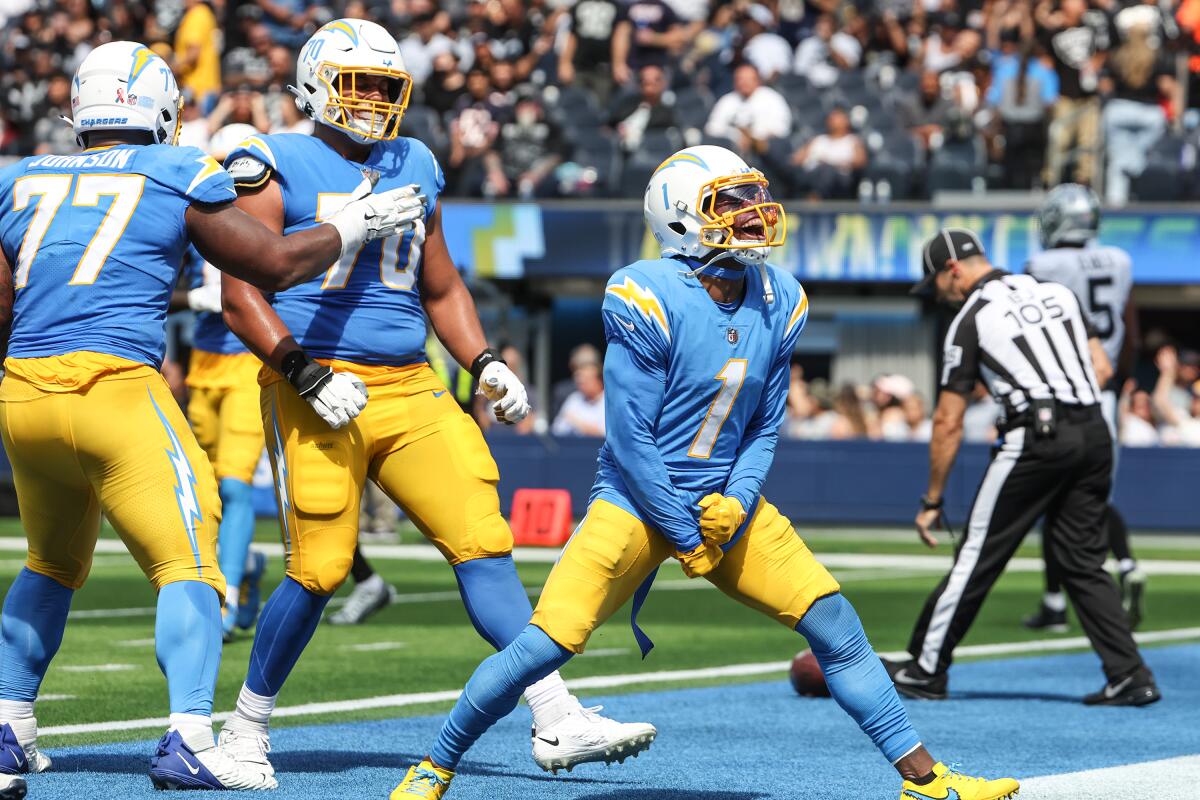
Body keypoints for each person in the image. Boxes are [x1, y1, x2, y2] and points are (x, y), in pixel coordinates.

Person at [391, 145, 1019, 800]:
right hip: (636, 502)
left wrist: (738, 501)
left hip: (725, 503)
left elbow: (765, 425)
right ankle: (435, 765)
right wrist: (683, 532)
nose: (754, 214)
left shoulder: (780, 297)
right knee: (547, 643)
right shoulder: (648, 293)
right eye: (733, 202)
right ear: (684, 218)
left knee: (837, 625)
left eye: (754, 198)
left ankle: (926, 781)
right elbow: (631, 440)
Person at [213, 19, 654, 782]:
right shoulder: (272, 155)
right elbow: (244, 290)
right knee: (319, 569)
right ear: (317, 84)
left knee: (483, 543)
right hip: (313, 382)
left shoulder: (414, 157)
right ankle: (245, 727)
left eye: (387, 87)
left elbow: (440, 281)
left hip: (410, 380)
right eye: (359, 85)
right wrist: (304, 371)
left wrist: (484, 359)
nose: (376, 102)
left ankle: (555, 715)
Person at [0, 40, 420, 791]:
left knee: (51, 562)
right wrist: (354, 225)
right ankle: (191, 736)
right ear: (161, 107)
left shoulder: (18, 176)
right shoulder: (175, 167)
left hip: (24, 393)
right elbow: (273, 264)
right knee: (190, 564)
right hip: (114, 390)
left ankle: (9, 726)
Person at [886, 228, 1160, 708]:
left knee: (977, 553)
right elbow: (1101, 368)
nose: (940, 296)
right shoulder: (1056, 292)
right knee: (1082, 560)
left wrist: (932, 499)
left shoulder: (970, 318)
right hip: (1093, 429)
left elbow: (948, 421)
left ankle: (925, 668)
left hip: (1037, 437)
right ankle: (1130, 675)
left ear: (953, 270)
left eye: (937, 284)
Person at [1022, 184, 1144, 632]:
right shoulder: (1120, 260)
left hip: (1059, 396)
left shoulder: (1044, 265)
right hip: (1105, 393)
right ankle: (1125, 565)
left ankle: (1060, 599)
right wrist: (1121, 383)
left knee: (1053, 500)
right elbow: (1130, 332)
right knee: (1094, 496)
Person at [179, 123, 273, 643]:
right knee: (208, 487)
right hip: (203, 361)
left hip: (245, 363)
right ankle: (241, 570)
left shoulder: (271, 215)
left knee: (235, 485)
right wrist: (190, 301)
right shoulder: (195, 214)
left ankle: (226, 594)